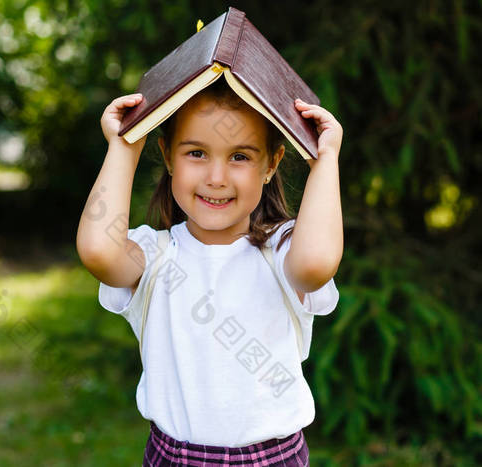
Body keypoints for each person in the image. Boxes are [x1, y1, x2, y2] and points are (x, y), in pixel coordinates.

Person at [76, 78, 343, 466]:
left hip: (272, 459)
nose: (216, 177)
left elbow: (316, 263)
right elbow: (98, 251)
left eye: (240, 157)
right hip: (173, 457)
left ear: (271, 164)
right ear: (168, 157)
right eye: (197, 153)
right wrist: (124, 147)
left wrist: (324, 161)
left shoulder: (283, 250)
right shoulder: (154, 257)